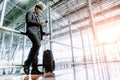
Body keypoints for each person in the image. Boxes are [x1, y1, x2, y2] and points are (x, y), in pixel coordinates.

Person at [23, 4, 50, 75]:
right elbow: (28, 21)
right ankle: (27, 63)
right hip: (31, 32)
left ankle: (34, 69)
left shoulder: (38, 17)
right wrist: (39, 23)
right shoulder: (30, 13)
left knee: (36, 52)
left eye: (41, 10)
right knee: (38, 45)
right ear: (36, 8)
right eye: (39, 9)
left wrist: (44, 33)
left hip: (37, 35)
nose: (40, 11)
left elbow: (38, 29)